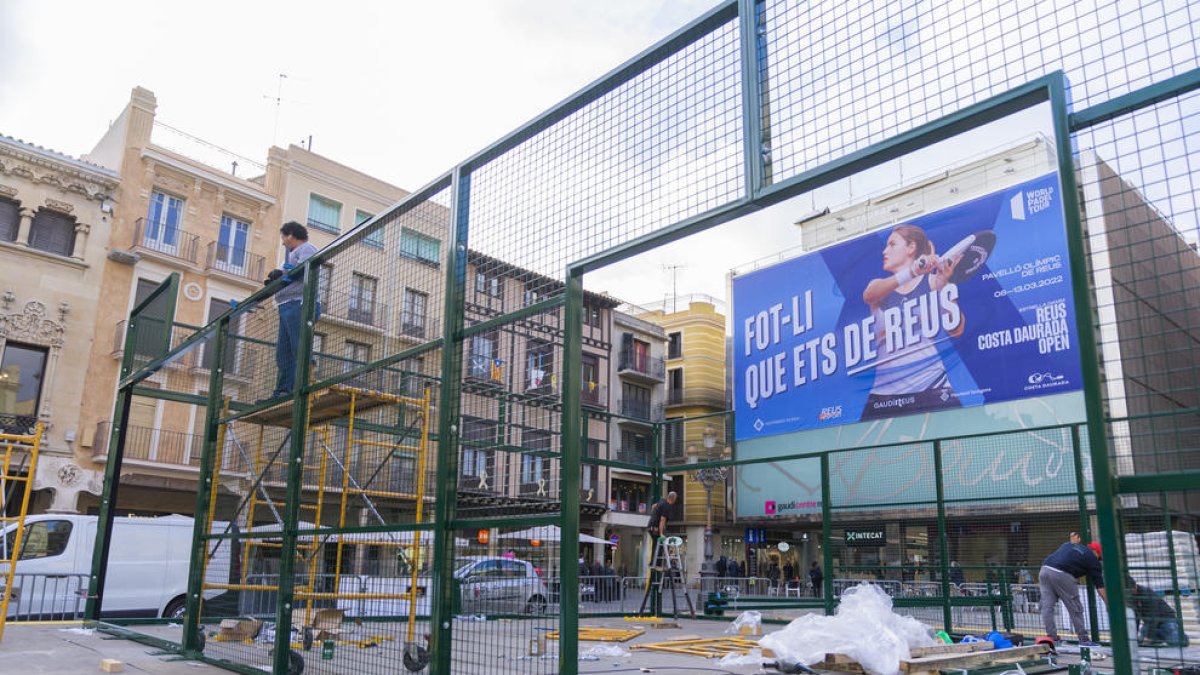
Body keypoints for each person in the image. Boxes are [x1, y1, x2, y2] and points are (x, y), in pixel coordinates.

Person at [860, 224, 964, 420]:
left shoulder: (933, 282)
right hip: (884, 396)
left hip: (932, 387)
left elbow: (957, 330)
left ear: (911, 247)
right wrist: (913, 271)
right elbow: (869, 295)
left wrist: (944, 287)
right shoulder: (878, 287)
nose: (885, 251)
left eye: (892, 244)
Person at [268, 221, 319, 398]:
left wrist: (282, 275)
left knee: (299, 346)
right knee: (283, 352)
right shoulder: (289, 257)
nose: (283, 242)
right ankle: (283, 389)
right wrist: (276, 277)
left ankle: (302, 385)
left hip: (299, 303)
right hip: (286, 305)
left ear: (290, 235)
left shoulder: (306, 249)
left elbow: (303, 270)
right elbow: (286, 274)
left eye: (283, 237)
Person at [1039, 537, 1107, 646]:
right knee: (1075, 607)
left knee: (1047, 606)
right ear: (1096, 553)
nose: (1099, 559)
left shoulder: (1069, 545)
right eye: (1099, 557)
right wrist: (1108, 603)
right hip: (1062, 574)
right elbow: (1100, 587)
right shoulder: (1093, 560)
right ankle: (1084, 639)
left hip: (1045, 569)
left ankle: (1052, 638)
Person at [1128, 576, 1189, 646]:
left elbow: (1154, 616)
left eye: (1130, 590)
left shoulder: (1146, 593)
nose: (1130, 592)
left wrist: (1149, 637)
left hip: (1165, 620)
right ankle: (1158, 638)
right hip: (1150, 624)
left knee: (1176, 641)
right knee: (1142, 639)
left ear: (1135, 586)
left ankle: (1183, 638)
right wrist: (1135, 634)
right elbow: (1136, 617)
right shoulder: (1131, 597)